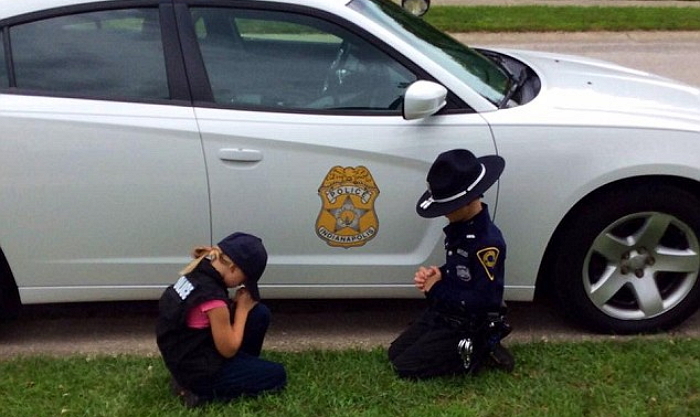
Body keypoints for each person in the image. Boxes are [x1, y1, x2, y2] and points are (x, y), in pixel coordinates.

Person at [388, 149, 514, 379]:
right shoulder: (461, 229)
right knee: (394, 354)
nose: (444, 214)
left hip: (469, 321)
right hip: (447, 311)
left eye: (448, 207)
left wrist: (435, 288)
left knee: (406, 367)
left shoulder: (487, 243)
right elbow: (461, 270)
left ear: (469, 200)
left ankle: (481, 347)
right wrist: (440, 274)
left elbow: (482, 299)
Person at [156, 232, 286, 407]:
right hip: (199, 371)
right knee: (277, 375)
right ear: (233, 268)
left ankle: (238, 370)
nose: (242, 285)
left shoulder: (198, 271)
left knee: (259, 314)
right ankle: (198, 393)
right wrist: (241, 310)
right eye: (244, 280)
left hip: (186, 355)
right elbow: (229, 350)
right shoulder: (213, 298)